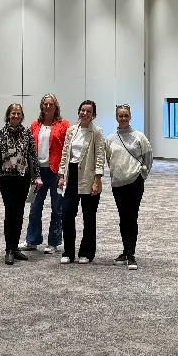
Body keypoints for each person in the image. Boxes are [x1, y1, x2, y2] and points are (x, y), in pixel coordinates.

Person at [0, 103, 41, 265]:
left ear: (22, 116)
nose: (16, 116)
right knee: (10, 212)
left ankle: (15, 248)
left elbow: (32, 155)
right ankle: (9, 249)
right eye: (13, 113)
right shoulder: (0, 134)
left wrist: (37, 176)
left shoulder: (27, 133)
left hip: (23, 178)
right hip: (7, 178)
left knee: (19, 212)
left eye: (19, 113)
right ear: (8, 115)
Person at [20, 94, 70, 254]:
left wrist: (63, 172)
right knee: (35, 207)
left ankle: (54, 242)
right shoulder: (35, 125)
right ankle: (32, 240)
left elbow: (67, 150)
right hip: (38, 172)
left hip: (56, 172)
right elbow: (28, 149)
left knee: (57, 208)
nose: (48, 107)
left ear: (56, 107)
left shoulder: (64, 125)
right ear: (42, 106)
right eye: (45, 104)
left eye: (51, 104)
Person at [58, 99, 106, 264]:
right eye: (83, 110)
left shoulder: (97, 132)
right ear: (79, 111)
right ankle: (68, 252)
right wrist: (61, 174)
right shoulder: (71, 130)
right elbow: (65, 153)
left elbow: (100, 157)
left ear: (93, 115)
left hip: (89, 177)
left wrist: (97, 180)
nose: (85, 113)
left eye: (89, 111)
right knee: (67, 214)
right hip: (71, 176)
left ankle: (86, 253)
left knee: (89, 217)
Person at [105, 104, 152, 270]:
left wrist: (142, 174)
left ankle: (131, 254)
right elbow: (109, 159)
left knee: (131, 217)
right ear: (116, 117)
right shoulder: (110, 139)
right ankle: (125, 251)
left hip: (135, 182)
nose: (123, 118)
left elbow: (148, 157)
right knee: (122, 217)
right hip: (118, 183)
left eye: (126, 115)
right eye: (120, 116)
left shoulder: (139, 137)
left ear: (130, 117)